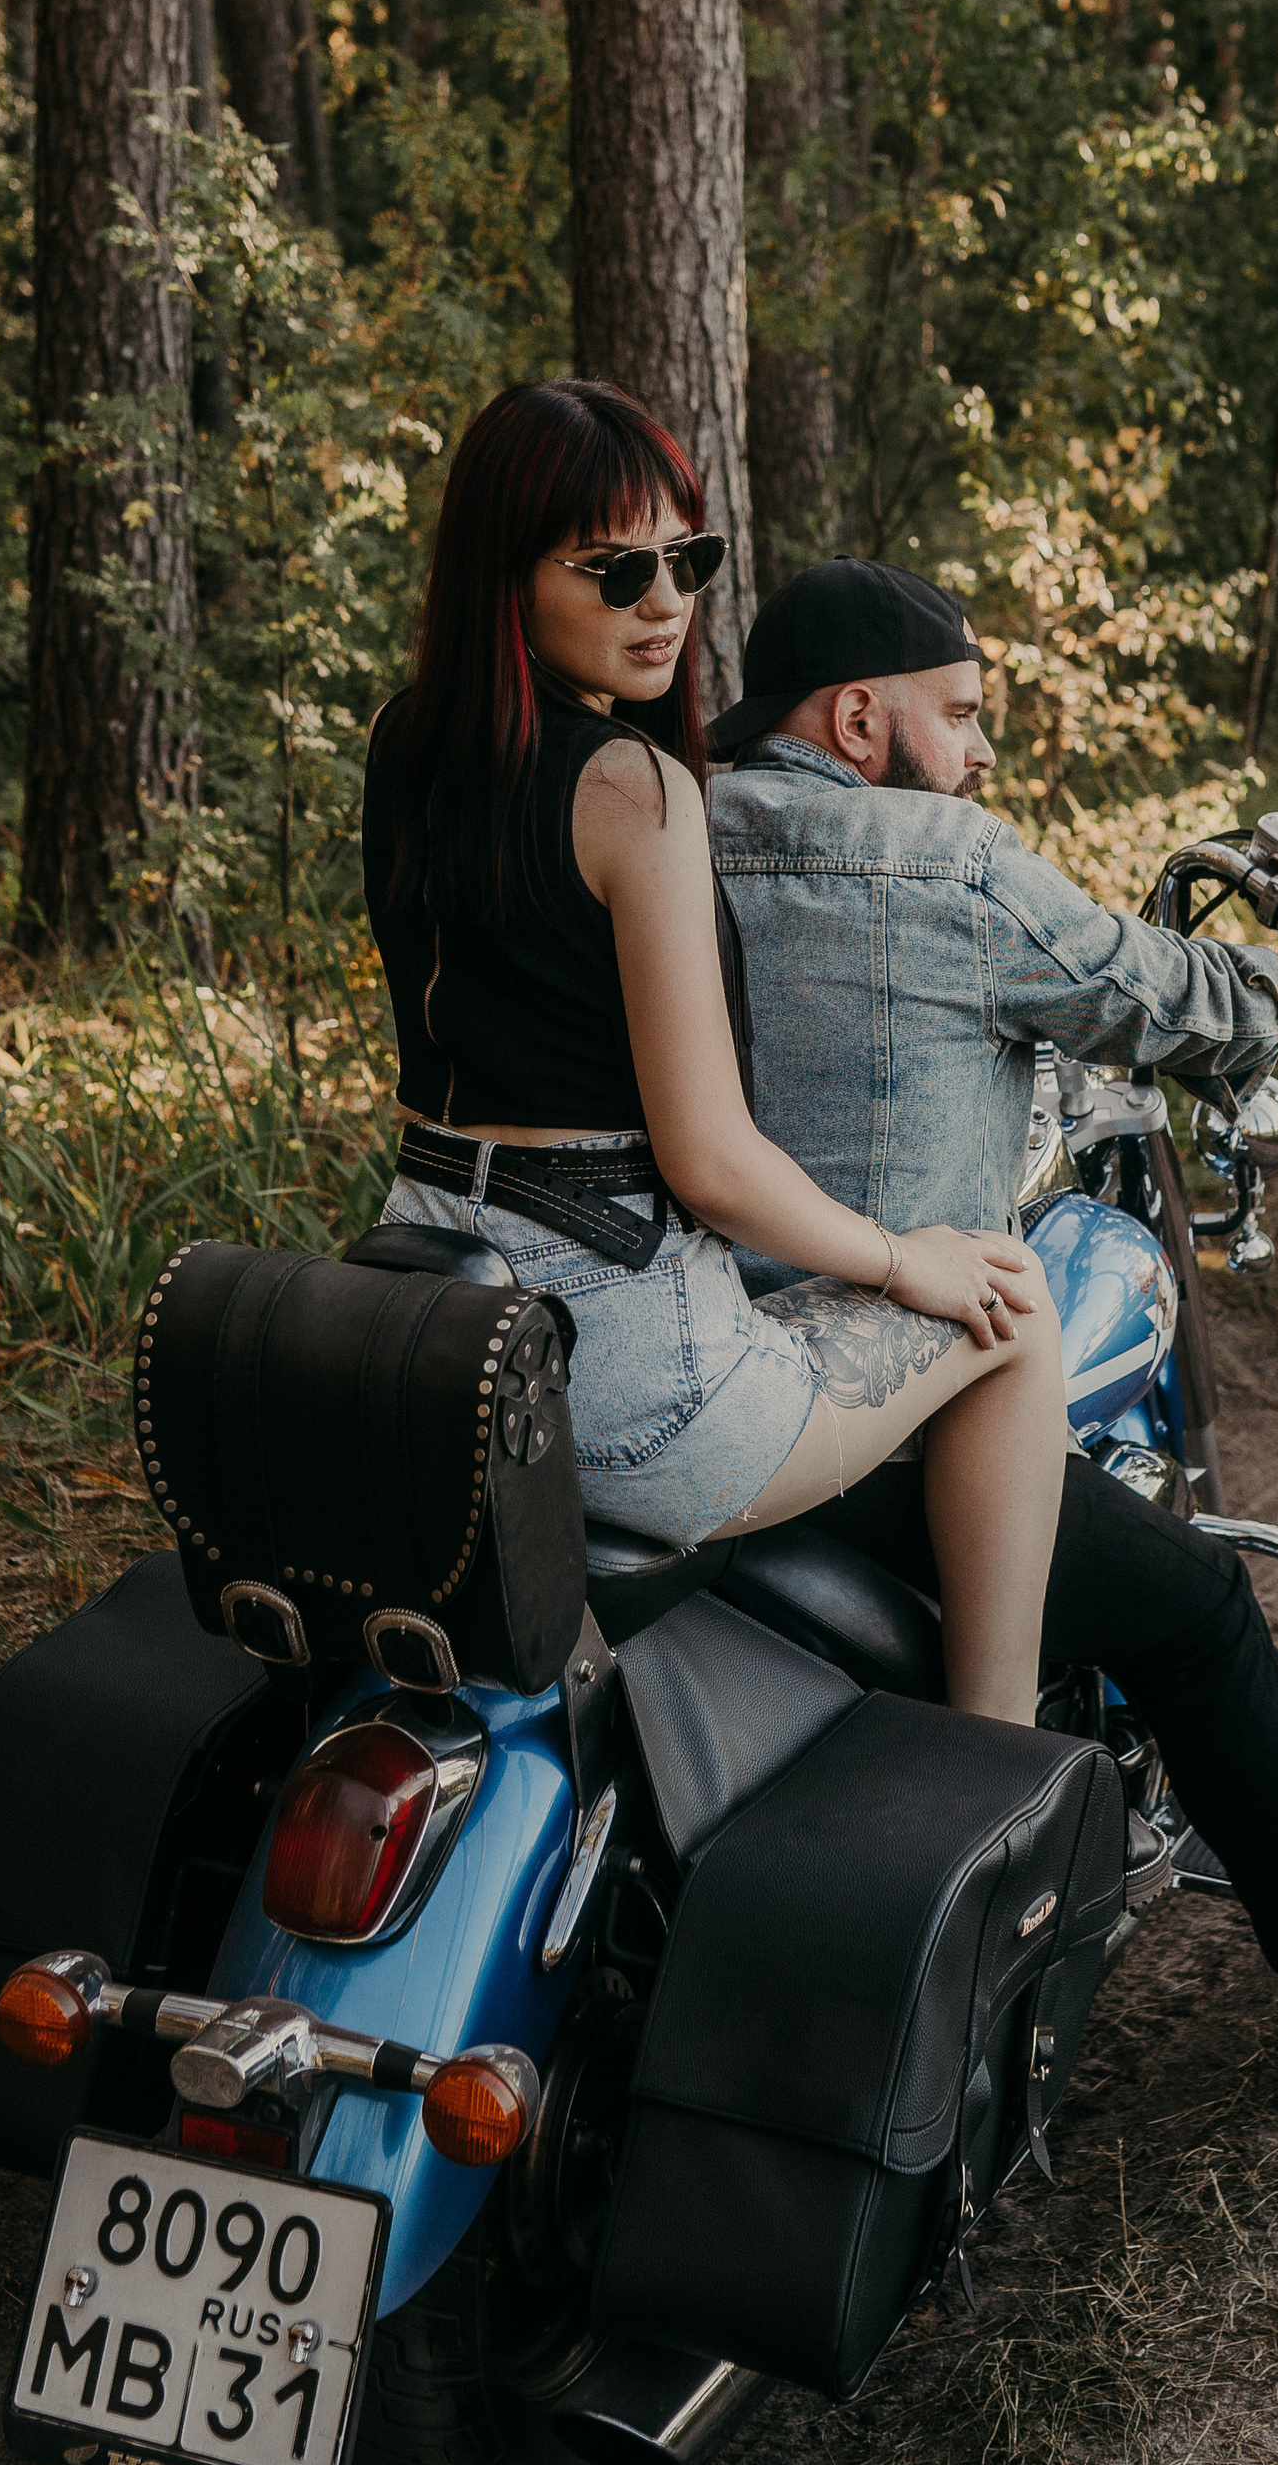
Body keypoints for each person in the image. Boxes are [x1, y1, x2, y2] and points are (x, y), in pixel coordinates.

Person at [706, 556, 1278, 2105]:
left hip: (687, 1372)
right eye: (962, 715)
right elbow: (1188, 997)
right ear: (857, 718)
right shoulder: (936, 860)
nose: (984, 754)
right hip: (860, 1404)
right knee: (1192, 1604)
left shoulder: (674, 829)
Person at [360, 382, 1068, 1727]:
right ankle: (996, 1756)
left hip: (439, 1322)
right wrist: (905, 1254)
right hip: (628, 1384)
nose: (663, 601)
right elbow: (713, 1162)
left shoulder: (410, 746)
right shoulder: (632, 789)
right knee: (1016, 1307)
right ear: (503, 576)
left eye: (688, 559)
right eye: (613, 568)